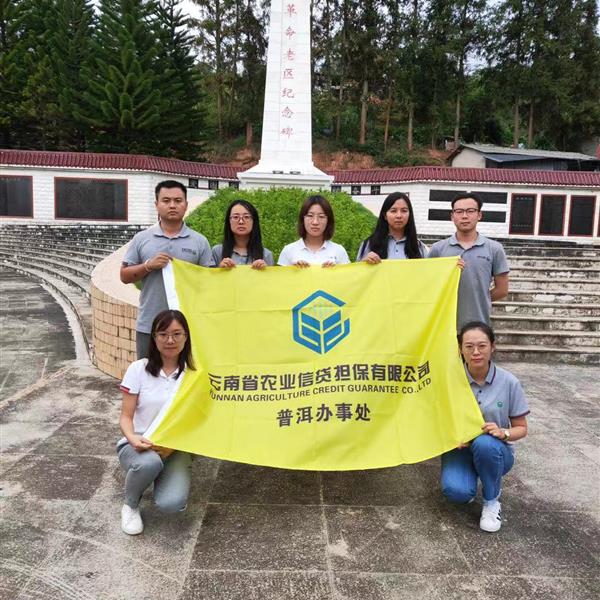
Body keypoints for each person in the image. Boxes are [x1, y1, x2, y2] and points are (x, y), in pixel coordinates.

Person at [441, 321, 529, 532]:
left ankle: (491, 501)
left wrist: (503, 432)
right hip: (460, 449)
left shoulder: (509, 382)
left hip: (495, 451)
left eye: (482, 345)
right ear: (460, 349)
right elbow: (436, 418)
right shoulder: (449, 380)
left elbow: (521, 428)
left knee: (485, 444)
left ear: (492, 346)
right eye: (469, 346)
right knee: (456, 492)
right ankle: (468, 483)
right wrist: (450, 435)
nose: (476, 352)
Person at [117, 309, 195, 535]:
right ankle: (130, 505)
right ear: (154, 337)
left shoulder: (194, 373)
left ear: (186, 337)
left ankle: (160, 473)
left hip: (176, 447)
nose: (170, 340)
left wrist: (172, 447)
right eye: (163, 334)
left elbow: (197, 420)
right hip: (139, 445)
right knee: (149, 463)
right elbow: (125, 417)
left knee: (171, 504)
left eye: (177, 334)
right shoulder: (138, 369)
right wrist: (133, 438)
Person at [120, 180, 214, 358]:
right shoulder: (142, 238)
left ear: (186, 204)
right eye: (166, 200)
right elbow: (124, 276)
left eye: (178, 201)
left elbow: (209, 283)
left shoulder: (199, 241)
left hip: (188, 326)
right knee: (148, 372)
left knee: (187, 374)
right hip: (150, 325)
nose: (172, 205)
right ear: (156, 204)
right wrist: (148, 265)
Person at [427, 193, 509, 331]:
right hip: (443, 325)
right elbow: (428, 284)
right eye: (459, 211)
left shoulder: (494, 248)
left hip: (479, 324)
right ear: (452, 216)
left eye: (470, 211)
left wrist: (480, 298)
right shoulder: (438, 249)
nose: (464, 216)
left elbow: (502, 290)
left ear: (479, 215)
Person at [278, 195, 350, 267]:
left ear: (328, 221)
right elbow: (280, 274)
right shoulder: (288, 250)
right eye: (310, 216)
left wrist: (335, 270)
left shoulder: (339, 251)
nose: (315, 222)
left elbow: (349, 274)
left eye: (321, 216)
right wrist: (294, 270)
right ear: (302, 219)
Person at [357, 192, 428, 262]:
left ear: (409, 215)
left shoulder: (419, 247)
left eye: (404, 211)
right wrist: (363, 262)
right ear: (385, 215)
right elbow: (357, 269)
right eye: (393, 211)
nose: (399, 216)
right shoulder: (369, 244)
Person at [212, 199, 275, 268]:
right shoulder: (217, 252)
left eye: (246, 217)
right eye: (236, 217)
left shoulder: (266, 255)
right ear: (229, 221)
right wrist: (219, 270)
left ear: (254, 221)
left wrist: (266, 271)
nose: (241, 221)